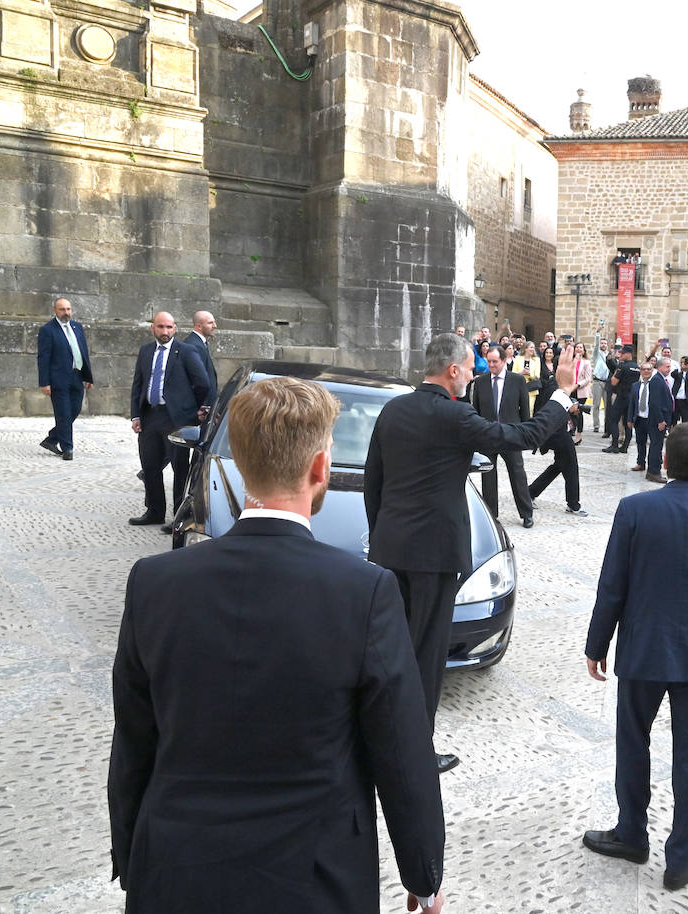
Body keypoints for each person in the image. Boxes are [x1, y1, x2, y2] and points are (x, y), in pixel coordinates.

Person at [108, 377, 447, 914]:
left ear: (242, 464)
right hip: (315, 877)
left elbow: (133, 740)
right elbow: (402, 750)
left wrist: (131, 856)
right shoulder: (363, 592)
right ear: (320, 468)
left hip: (175, 866)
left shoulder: (154, 582)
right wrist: (423, 873)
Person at [365, 334, 576, 773]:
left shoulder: (393, 410)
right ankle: (414, 753)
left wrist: (381, 536)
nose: (474, 374)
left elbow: (374, 482)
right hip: (434, 558)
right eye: (470, 367)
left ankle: (377, 737)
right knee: (426, 656)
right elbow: (523, 435)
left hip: (390, 550)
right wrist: (561, 393)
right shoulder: (456, 415)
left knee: (389, 649)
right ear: (453, 371)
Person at [582, 422, 688, 892]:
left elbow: (612, 584)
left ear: (664, 461)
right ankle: (681, 858)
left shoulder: (635, 509)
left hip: (643, 648)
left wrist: (597, 644)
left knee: (632, 742)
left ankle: (631, 834)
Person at [127, 312, 211, 529]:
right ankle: (154, 511)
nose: (165, 331)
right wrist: (136, 415)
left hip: (176, 419)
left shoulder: (186, 351)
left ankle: (179, 516)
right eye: (161, 327)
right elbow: (138, 384)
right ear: (153, 328)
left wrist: (192, 411)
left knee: (179, 468)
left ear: (175, 328)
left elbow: (203, 383)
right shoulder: (146, 351)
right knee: (150, 465)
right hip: (150, 416)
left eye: (169, 327)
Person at [470, 345, 535, 528]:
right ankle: (491, 514)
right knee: (488, 476)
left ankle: (526, 513)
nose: (491, 365)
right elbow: (476, 411)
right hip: (488, 435)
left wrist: (525, 435)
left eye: (495, 362)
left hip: (511, 435)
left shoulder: (517, 380)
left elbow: (525, 410)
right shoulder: (481, 382)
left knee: (517, 474)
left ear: (504, 360)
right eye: (489, 361)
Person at [35, 297, 93, 460]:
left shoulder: (77, 327)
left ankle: (51, 439)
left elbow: (83, 352)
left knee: (74, 410)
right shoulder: (48, 330)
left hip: (77, 376)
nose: (66, 312)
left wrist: (88, 376)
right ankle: (68, 448)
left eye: (68, 309)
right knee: (63, 413)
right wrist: (44, 382)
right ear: (55, 310)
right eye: (62, 309)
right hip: (58, 379)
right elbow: (43, 358)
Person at [528, 360, 587, 516]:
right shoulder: (552, 387)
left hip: (559, 432)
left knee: (559, 465)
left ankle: (530, 492)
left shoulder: (560, 386)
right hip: (556, 433)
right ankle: (573, 504)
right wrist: (570, 409)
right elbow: (550, 411)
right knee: (571, 466)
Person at [628, 359, 673, 484]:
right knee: (655, 446)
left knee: (656, 446)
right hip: (655, 420)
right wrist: (660, 420)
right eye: (667, 366)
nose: (669, 369)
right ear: (660, 367)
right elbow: (655, 403)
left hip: (653, 418)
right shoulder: (657, 381)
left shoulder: (660, 379)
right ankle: (653, 472)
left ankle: (653, 470)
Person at [180, 310, 218, 412]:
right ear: (199, 326)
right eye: (210, 323)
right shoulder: (194, 345)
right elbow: (198, 381)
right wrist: (202, 406)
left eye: (214, 322)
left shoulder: (199, 343)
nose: (215, 326)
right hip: (200, 409)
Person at [603, 345, 639, 453]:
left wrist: (615, 373)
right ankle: (625, 447)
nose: (620, 355)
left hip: (622, 396)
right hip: (631, 398)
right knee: (628, 422)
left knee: (613, 419)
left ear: (628, 354)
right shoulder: (636, 367)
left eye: (622, 353)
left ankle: (614, 445)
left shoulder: (622, 366)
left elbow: (614, 382)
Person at [671, 356, 688, 424]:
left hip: (687, 401)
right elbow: (672, 374)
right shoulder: (678, 372)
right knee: (673, 420)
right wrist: (680, 368)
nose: (683, 364)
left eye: (685, 362)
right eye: (681, 362)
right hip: (676, 400)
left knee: (686, 421)